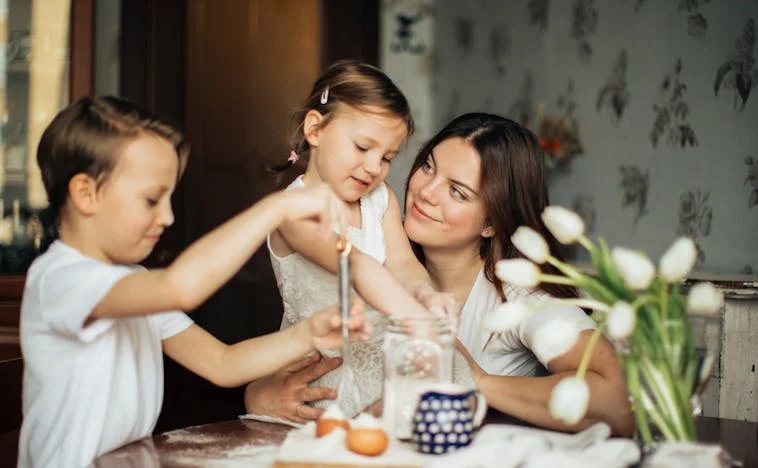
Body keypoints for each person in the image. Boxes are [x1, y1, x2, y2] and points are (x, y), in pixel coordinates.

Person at [18, 96, 370, 468]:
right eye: (152, 200)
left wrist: (310, 333)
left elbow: (223, 363)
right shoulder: (61, 279)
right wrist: (276, 209)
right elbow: (180, 288)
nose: (167, 216)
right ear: (86, 195)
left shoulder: (133, 283)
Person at [247, 113, 634, 436]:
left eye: (458, 192)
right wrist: (260, 393)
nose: (426, 192)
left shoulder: (518, 297)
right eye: (427, 167)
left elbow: (616, 404)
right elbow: (293, 360)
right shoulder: (369, 254)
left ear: (492, 223)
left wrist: (477, 381)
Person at [266, 59, 465, 419]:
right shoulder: (293, 210)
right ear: (315, 129)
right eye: (362, 148)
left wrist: (424, 294)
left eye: (387, 157)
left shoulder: (380, 198)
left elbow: (403, 263)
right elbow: (354, 264)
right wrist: (416, 317)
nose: (374, 167)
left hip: (381, 361)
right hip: (326, 373)